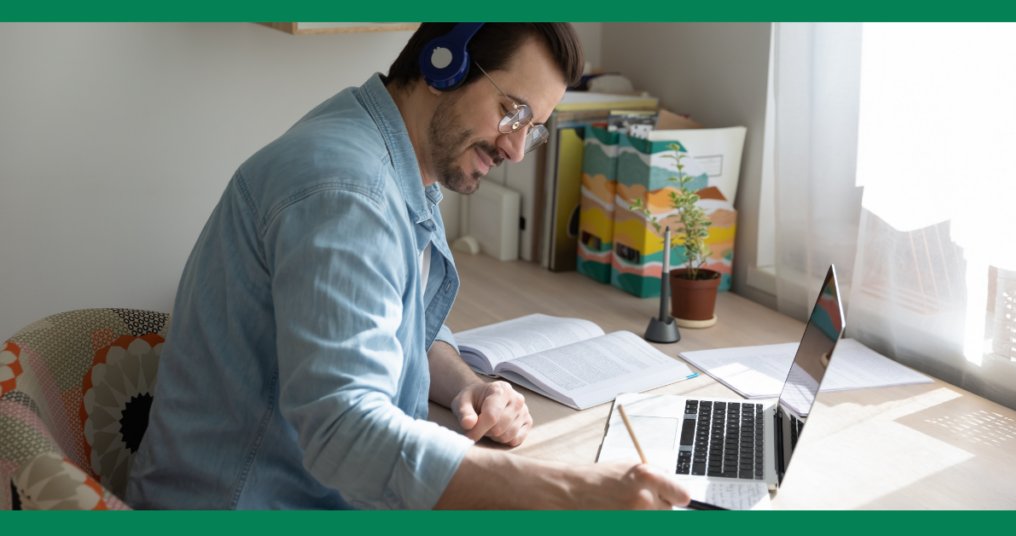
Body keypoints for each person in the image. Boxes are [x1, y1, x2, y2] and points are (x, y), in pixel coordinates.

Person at [125, 23, 691, 510]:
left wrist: (470, 385)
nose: (517, 149)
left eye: (533, 129)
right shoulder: (347, 194)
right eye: (512, 112)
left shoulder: (385, 152)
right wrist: (568, 491)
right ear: (442, 63)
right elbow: (344, 432)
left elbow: (394, 320)